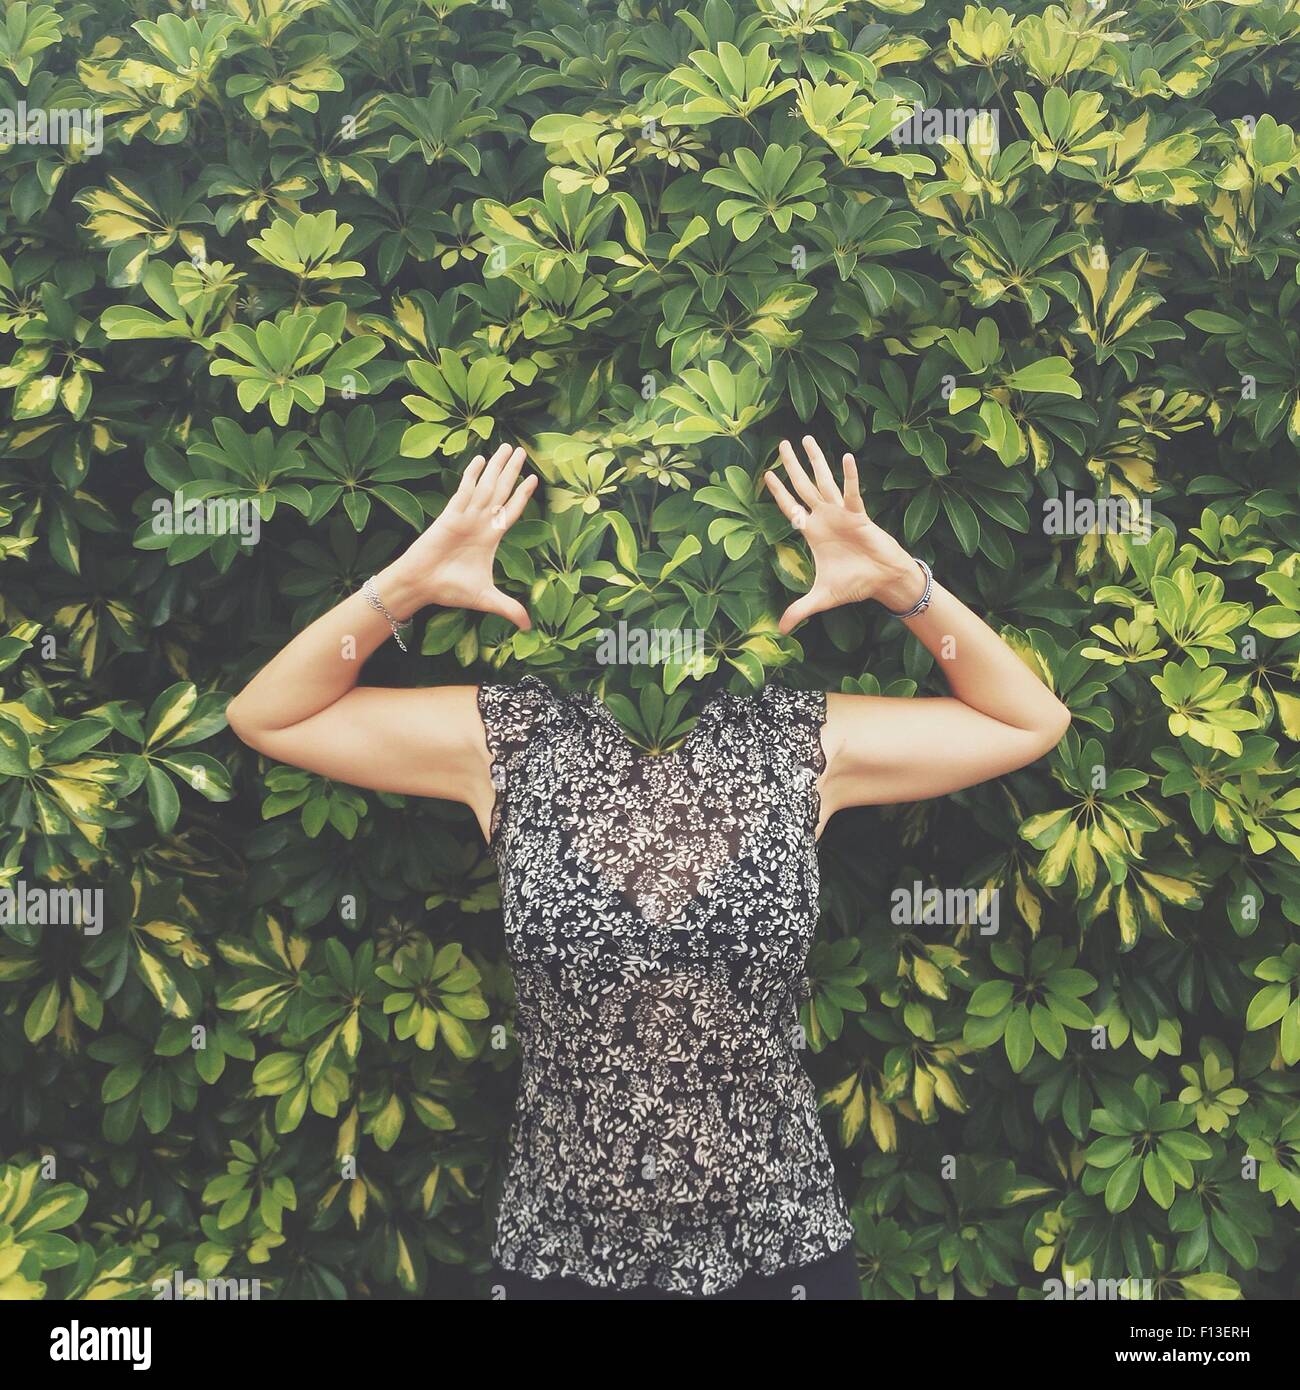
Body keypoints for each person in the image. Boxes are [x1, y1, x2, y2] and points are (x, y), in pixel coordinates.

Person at [226, 436, 1072, 1300]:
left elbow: (1027, 721)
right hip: (563, 1256)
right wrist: (406, 583)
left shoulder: (796, 740)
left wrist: (904, 587)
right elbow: (270, 714)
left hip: (777, 1253)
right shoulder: (512, 739)